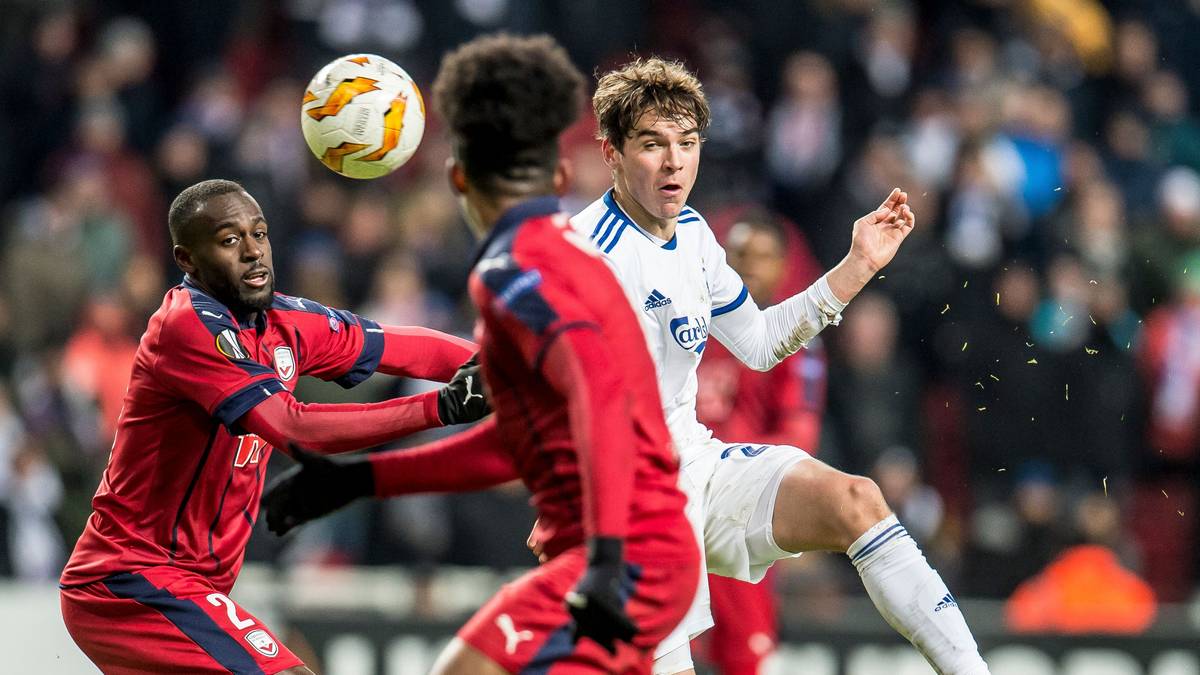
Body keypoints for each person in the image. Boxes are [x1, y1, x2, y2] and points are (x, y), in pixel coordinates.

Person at [262, 35, 700, 674]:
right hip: (636, 553)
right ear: (557, 177)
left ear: (457, 177)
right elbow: (512, 445)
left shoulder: (515, 273)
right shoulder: (566, 256)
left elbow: (599, 398)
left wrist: (607, 559)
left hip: (626, 557)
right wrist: (363, 479)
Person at [568, 57, 989, 675]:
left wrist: (858, 265)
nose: (674, 163)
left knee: (856, 500)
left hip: (696, 463)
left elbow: (761, 342)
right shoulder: (587, 255)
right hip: (631, 497)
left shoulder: (693, 232)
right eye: (652, 145)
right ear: (611, 151)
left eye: (687, 144)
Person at [58, 178, 490, 675]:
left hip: (189, 582)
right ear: (186, 259)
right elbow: (293, 427)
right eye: (229, 240)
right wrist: (441, 408)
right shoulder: (187, 327)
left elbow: (401, 346)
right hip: (131, 580)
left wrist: (508, 368)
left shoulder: (282, 320)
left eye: (258, 234)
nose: (252, 252)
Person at [693, 213, 827, 675]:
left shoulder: (794, 339)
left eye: (763, 257)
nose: (750, 267)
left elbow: (799, 435)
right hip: (670, 496)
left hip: (733, 504)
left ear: (784, 267)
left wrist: (733, 461)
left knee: (742, 654)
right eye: (740, 256)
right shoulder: (690, 325)